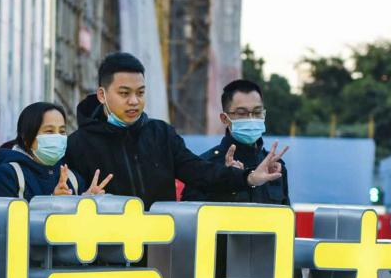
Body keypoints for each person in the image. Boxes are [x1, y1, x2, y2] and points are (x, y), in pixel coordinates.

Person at [65, 52, 285, 208]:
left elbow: (201, 172)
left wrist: (248, 178)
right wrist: (83, 200)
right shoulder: (77, 144)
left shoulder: (161, 134)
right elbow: (64, 199)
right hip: (105, 252)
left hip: (160, 248)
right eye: (124, 93)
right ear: (102, 95)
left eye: (140, 93)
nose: (134, 101)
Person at [183, 79, 290, 205]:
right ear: (224, 119)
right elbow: (191, 214)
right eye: (241, 113)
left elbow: (286, 213)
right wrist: (229, 181)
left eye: (257, 112)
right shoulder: (206, 165)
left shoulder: (275, 166)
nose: (251, 119)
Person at [0, 101, 114, 200]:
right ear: (26, 138)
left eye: (62, 131)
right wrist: (52, 202)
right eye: (49, 131)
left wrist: (86, 202)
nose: (57, 137)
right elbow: (6, 220)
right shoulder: (8, 175)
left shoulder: (72, 178)